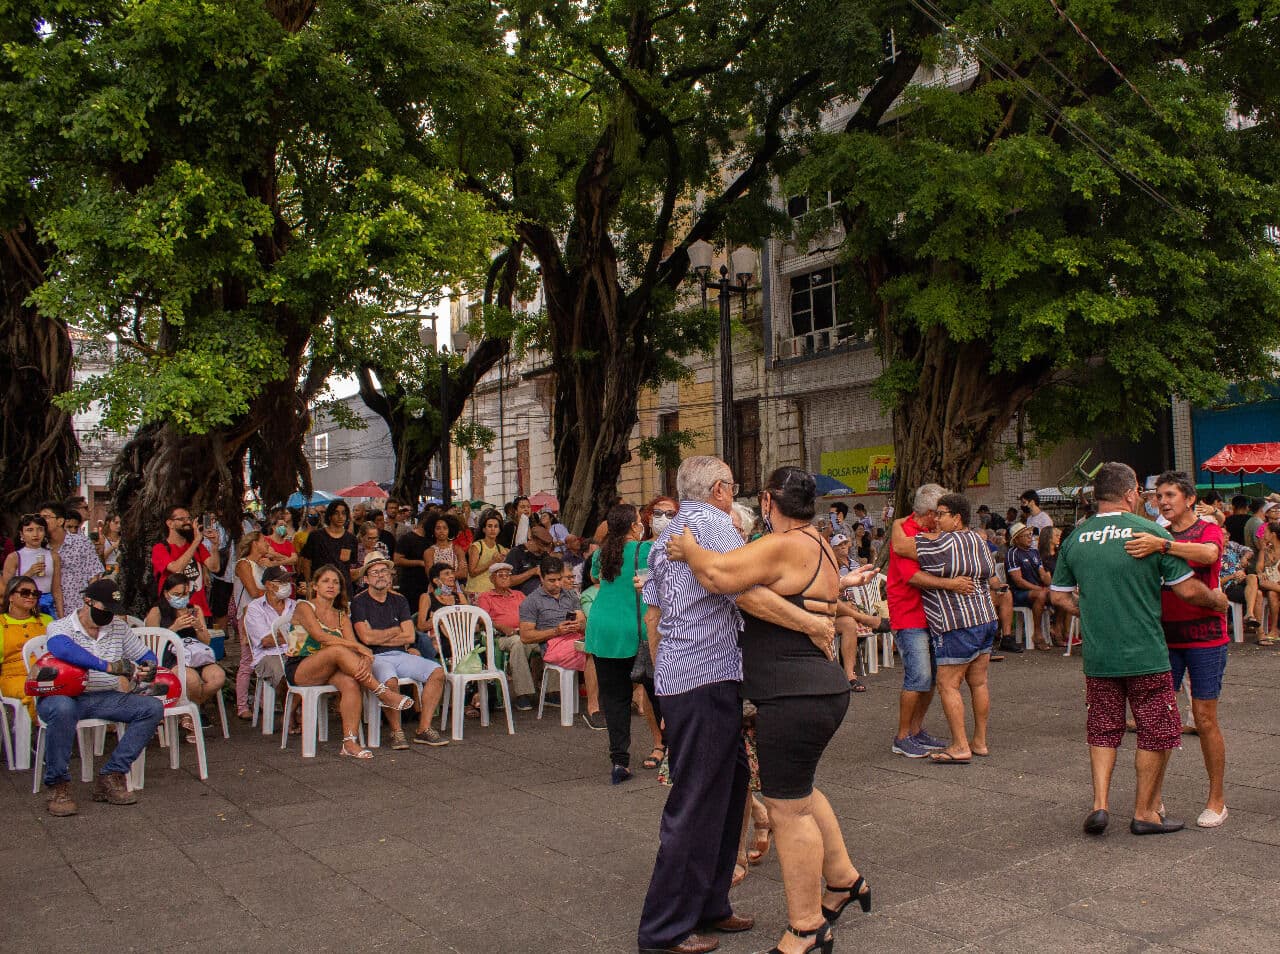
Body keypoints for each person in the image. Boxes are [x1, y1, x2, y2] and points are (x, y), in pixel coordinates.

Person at [636, 456, 837, 954]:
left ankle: (709, 905)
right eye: (734, 486)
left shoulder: (667, 534)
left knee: (726, 799)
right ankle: (664, 928)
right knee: (697, 803)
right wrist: (810, 623)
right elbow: (742, 591)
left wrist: (664, 680)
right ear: (721, 490)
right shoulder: (711, 523)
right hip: (705, 677)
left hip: (688, 678)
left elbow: (655, 616)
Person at [1049, 462, 1229, 836]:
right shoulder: (1147, 532)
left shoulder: (1076, 537)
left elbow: (1057, 596)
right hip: (1147, 651)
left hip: (1099, 656)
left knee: (1102, 727)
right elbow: (1188, 589)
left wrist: (1089, 609)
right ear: (1131, 493)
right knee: (1157, 730)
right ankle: (1145, 811)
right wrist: (1217, 602)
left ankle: (1100, 804)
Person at [1122, 470, 1229, 828]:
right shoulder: (1157, 531)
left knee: (1204, 718)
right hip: (1163, 639)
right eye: (1158, 496)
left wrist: (1163, 546)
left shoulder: (1205, 529)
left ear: (1189, 499)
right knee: (1159, 720)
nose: (1163, 502)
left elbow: (1208, 554)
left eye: (1169, 495)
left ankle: (1217, 799)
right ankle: (1153, 799)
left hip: (1205, 638)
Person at [38, 579, 165, 815]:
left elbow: (144, 653)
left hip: (105, 696)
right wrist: (107, 666)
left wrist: (150, 665)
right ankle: (58, 784)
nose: (109, 615)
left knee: (151, 708)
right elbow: (61, 648)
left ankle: (111, 775)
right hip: (64, 696)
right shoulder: (62, 626)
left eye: (113, 610)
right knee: (63, 711)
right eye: (105, 608)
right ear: (88, 601)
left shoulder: (117, 627)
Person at [894, 493, 997, 763]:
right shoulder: (979, 539)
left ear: (957, 518)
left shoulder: (942, 544)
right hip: (986, 617)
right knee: (979, 682)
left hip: (957, 622)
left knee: (948, 684)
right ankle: (980, 741)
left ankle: (960, 746)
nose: (936, 519)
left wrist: (896, 524)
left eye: (941, 514)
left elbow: (900, 546)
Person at [286, 565, 414, 759]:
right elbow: (321, 637)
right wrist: (360, 649)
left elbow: (353, 645)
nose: (331, 585)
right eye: (326, 581)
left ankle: (349, 742)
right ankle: (382, 693)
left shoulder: (341, 615)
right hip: (302, 667)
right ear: (315, 586)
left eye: (336, 582)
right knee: (337, 650)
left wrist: (365, 656)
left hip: (332, 668)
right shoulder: (304, 606)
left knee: (351, 682)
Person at [586, 504, 660, 784]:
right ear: (633, 526)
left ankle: (619, 761)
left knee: (614, 700)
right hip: (637, 628)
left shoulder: (602, 553)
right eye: (640, 520)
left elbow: (595, 578)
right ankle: (669, 752)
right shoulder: (646, 551)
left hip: (603, 628)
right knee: (657, 694)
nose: (643, 524)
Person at [350, 553, 449, 748]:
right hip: (374, 656)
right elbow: (366, 638)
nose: (380, 575)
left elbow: (410, 636)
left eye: (384, 571)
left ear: (390, 576)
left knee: (437, 672)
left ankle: (424, 728)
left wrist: (381, 635)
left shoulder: (399, 600)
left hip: (400, 654)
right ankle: (396, 731)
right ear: (366, 578)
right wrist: (395, 631)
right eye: (375, 572)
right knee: (390, 681)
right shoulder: (359, 602)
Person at [887, 484, 949, 758]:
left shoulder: (922, 530)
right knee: (919, 675)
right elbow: (912, 577)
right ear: (931, 512)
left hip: (929, 615)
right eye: (941, 512)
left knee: (932, 676)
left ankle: (916, 729)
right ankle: (902, 736)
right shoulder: (906, 533)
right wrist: (950, 584)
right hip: (908, 614)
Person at [518, 556, 603, 727]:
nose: (557, 584)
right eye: (551, 580)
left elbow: (583, 623)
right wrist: (556, 631)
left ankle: (610, 703)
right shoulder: (531, 601)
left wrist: (579, 624)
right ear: (541, 578)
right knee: (592, 651)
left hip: (573, 638)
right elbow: (525, 637)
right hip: (552, 645)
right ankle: (594, 709)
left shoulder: (570, 594)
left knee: (605, 646)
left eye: (559, 579)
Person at [144, 574, 226, 737]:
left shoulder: (194, 609)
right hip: (169, 655)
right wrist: (174, 628)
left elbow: (206, 641)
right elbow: (151, 641)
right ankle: (192, 716)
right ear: (167, 593)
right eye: (178, 594)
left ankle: (190, 712)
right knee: (192, 680)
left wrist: (198, 627)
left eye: (186, 593)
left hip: (196, 654)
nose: (182, 598)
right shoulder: (157, 611)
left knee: (218, 676)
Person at [474, 563, 535, 709]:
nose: (504, 578)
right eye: (500, 575)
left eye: (507, 575)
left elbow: (532, 611)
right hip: (501, 637)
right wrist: (501, 626)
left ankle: (552, 691)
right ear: (491, 579)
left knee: (550, 642)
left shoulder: (519, 595)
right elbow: (483, 619)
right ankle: (523, 694)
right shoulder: (486, 596)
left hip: (525, 632)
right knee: (518, 644)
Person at [240, 565, 296, 714]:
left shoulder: (295, 605)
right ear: (269, 585)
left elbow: (307, 633)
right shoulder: (255, 608)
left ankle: (300, 712)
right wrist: (294, 636)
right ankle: (290, 715)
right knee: (284, 674)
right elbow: (266, 641)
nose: (287, 585)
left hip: (295, 652)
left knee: (309, 671)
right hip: (267, 655)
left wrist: (280, 635)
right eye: (282, 581)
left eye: (288, 581)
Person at [150, 505, 220, 619]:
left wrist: (215, 546)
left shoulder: (196, 546)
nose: (187, 522)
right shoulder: (160, 548)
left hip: (196, 609)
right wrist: (196, 541)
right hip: (172, 611)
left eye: (189, 518)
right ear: (170, 523)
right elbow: (176, 569)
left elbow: (215, 568)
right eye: (182, 519)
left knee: (197, 635)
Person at [230, 531, 273, 718]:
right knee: (247, 660)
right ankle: (242, 705)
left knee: (267, 656)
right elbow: (254, 591)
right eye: (264, 541)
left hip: (265, 616)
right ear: (254, 543)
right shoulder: (243, 564)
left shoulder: (262, 565)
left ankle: (263, 701)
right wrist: (275, 590)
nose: (267, 544)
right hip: (248, 616)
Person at [37, 501, 103, 614]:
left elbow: (94, 574)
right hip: (48, 609)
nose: (41, 521)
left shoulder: (81, 542)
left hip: (78, 607)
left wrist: (89, 605)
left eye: (46, 517)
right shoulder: (40, 547)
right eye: (40, 517)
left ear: (60, 521)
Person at [1, 575, 53, 718]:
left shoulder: (46, 620)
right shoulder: (0, 623)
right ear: (11, 596)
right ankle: (33, 733)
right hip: (13, 677)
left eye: (35, 593)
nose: (31, 596)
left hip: (46, 674)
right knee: (32, 691)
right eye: (25, 593)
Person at [2, 514, 62, 618]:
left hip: (47, 605)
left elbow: (56, 589)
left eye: (40, 529)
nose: (35, 534)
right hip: (23, 603)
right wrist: (29, 573)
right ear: (22, 533)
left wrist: (61, 616)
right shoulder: (14, 557)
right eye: (30, 530)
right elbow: (7, 588)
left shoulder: (53, 556)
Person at [1004, 522, 1052, 651]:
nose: (1030, 537)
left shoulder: (1034, 552)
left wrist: (1051, 582)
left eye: (1030, 534)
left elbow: (1042, 575)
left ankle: (1058, 630)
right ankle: (1037, 633)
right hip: (1018, 593)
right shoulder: (1012, 554)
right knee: (1041, 594)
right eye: (1026, 535)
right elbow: (1018, 581)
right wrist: (1040, 589)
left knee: (1061, 594)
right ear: (1017, 539)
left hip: (1036, 590)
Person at [298, 501, 358, 589]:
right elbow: (306, 562)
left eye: (343, 513)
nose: (340, 517)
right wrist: (309, 583)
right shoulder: (316, 536)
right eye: (336, 513)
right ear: (329, 516)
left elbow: (350, 566)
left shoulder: (351, 539)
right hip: (320, 586)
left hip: (343, 588)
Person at [465, 510, 508, 595]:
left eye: (496, 526)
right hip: (476, 591)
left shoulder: (501, 549)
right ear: (484, 529)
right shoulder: (477, 546)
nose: (493, 529)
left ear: (499, 530)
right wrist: (492, 562)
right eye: (489, 526)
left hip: (493, 592)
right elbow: (472, 572)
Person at [507, 525, 554, 596]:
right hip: (519, 595)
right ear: (531, 539)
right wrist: (532, 572)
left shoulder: (545, 556)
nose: (542, 551)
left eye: (544, 550)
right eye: (539, 548)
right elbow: (508, 581)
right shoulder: (516, 552)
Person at [95, 511, 122, 578]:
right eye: (116, 523)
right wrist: (112, 547)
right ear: (108, 522)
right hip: (108, 571)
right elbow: (100, 558)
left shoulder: (122, 538)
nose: (119, 526)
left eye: (120, 523)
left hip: (121, 571)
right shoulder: (103, 538)